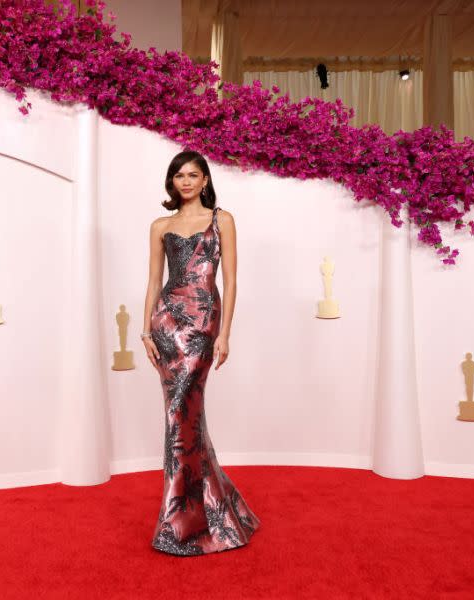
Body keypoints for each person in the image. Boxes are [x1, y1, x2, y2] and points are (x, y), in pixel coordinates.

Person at [141, 150, 260, 556]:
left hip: (203, 324)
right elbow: (154, 280)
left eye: (193, 174)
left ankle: (186, 521)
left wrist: (224, 334)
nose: (186, 181)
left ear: (206, 180)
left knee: (182, 414)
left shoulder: (221, 220)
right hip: (167, 325)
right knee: (180, 417)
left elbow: (231, 282)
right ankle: (201, 513)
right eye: (179, 175)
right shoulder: (161, 225)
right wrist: (145, 329)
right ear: (172, 182)